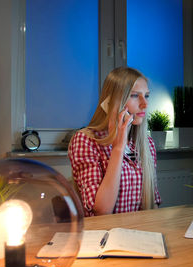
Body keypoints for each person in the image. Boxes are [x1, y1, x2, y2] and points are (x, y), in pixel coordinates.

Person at [68, 67, 161, 216]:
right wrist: (118, 148)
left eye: (147, 96)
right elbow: (102, 210)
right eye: (135, 96)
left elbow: (153, 204)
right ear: (112, 102)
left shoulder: (147, 143)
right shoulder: (86, 141)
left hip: (140, 233)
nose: (145, 104)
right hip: (104, 235)